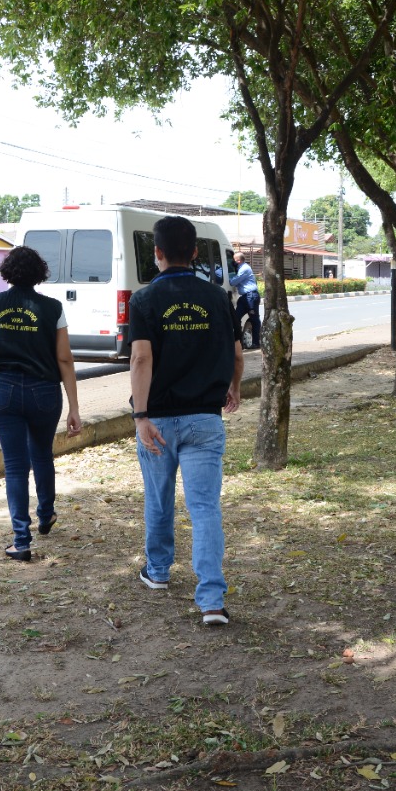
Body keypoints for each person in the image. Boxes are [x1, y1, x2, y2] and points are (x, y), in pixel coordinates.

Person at [129, 216, 243, 626]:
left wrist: (141, 415)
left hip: (157, 418)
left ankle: (158, 573)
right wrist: (234, 386)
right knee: (205, 507)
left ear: (156, 253)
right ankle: (212, 600)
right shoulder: (218, 297)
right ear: (195, 252)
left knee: (158, 498)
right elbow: (237, 353)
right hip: (204, 419)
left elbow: (142, 358)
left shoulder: (143, 301)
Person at [0, 246, 82, 562]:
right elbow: (64, 359)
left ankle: (21, 540)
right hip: (44, 392)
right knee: (42, 453)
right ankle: (45, 514)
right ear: (39, 273)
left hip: (2, 392)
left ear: (8, 272)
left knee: (15, 465)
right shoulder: (52, 308)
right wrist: (74, 407)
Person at [229, 252, 260, 348]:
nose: (233, 262)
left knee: (254, 319)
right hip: (245, 297)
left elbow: (233, 281)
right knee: (236, 318)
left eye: (234, 260)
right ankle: (238, 342)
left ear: (238, 260)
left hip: (251, 297)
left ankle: (256, 343)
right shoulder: (240, 268)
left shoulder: (244, 269)